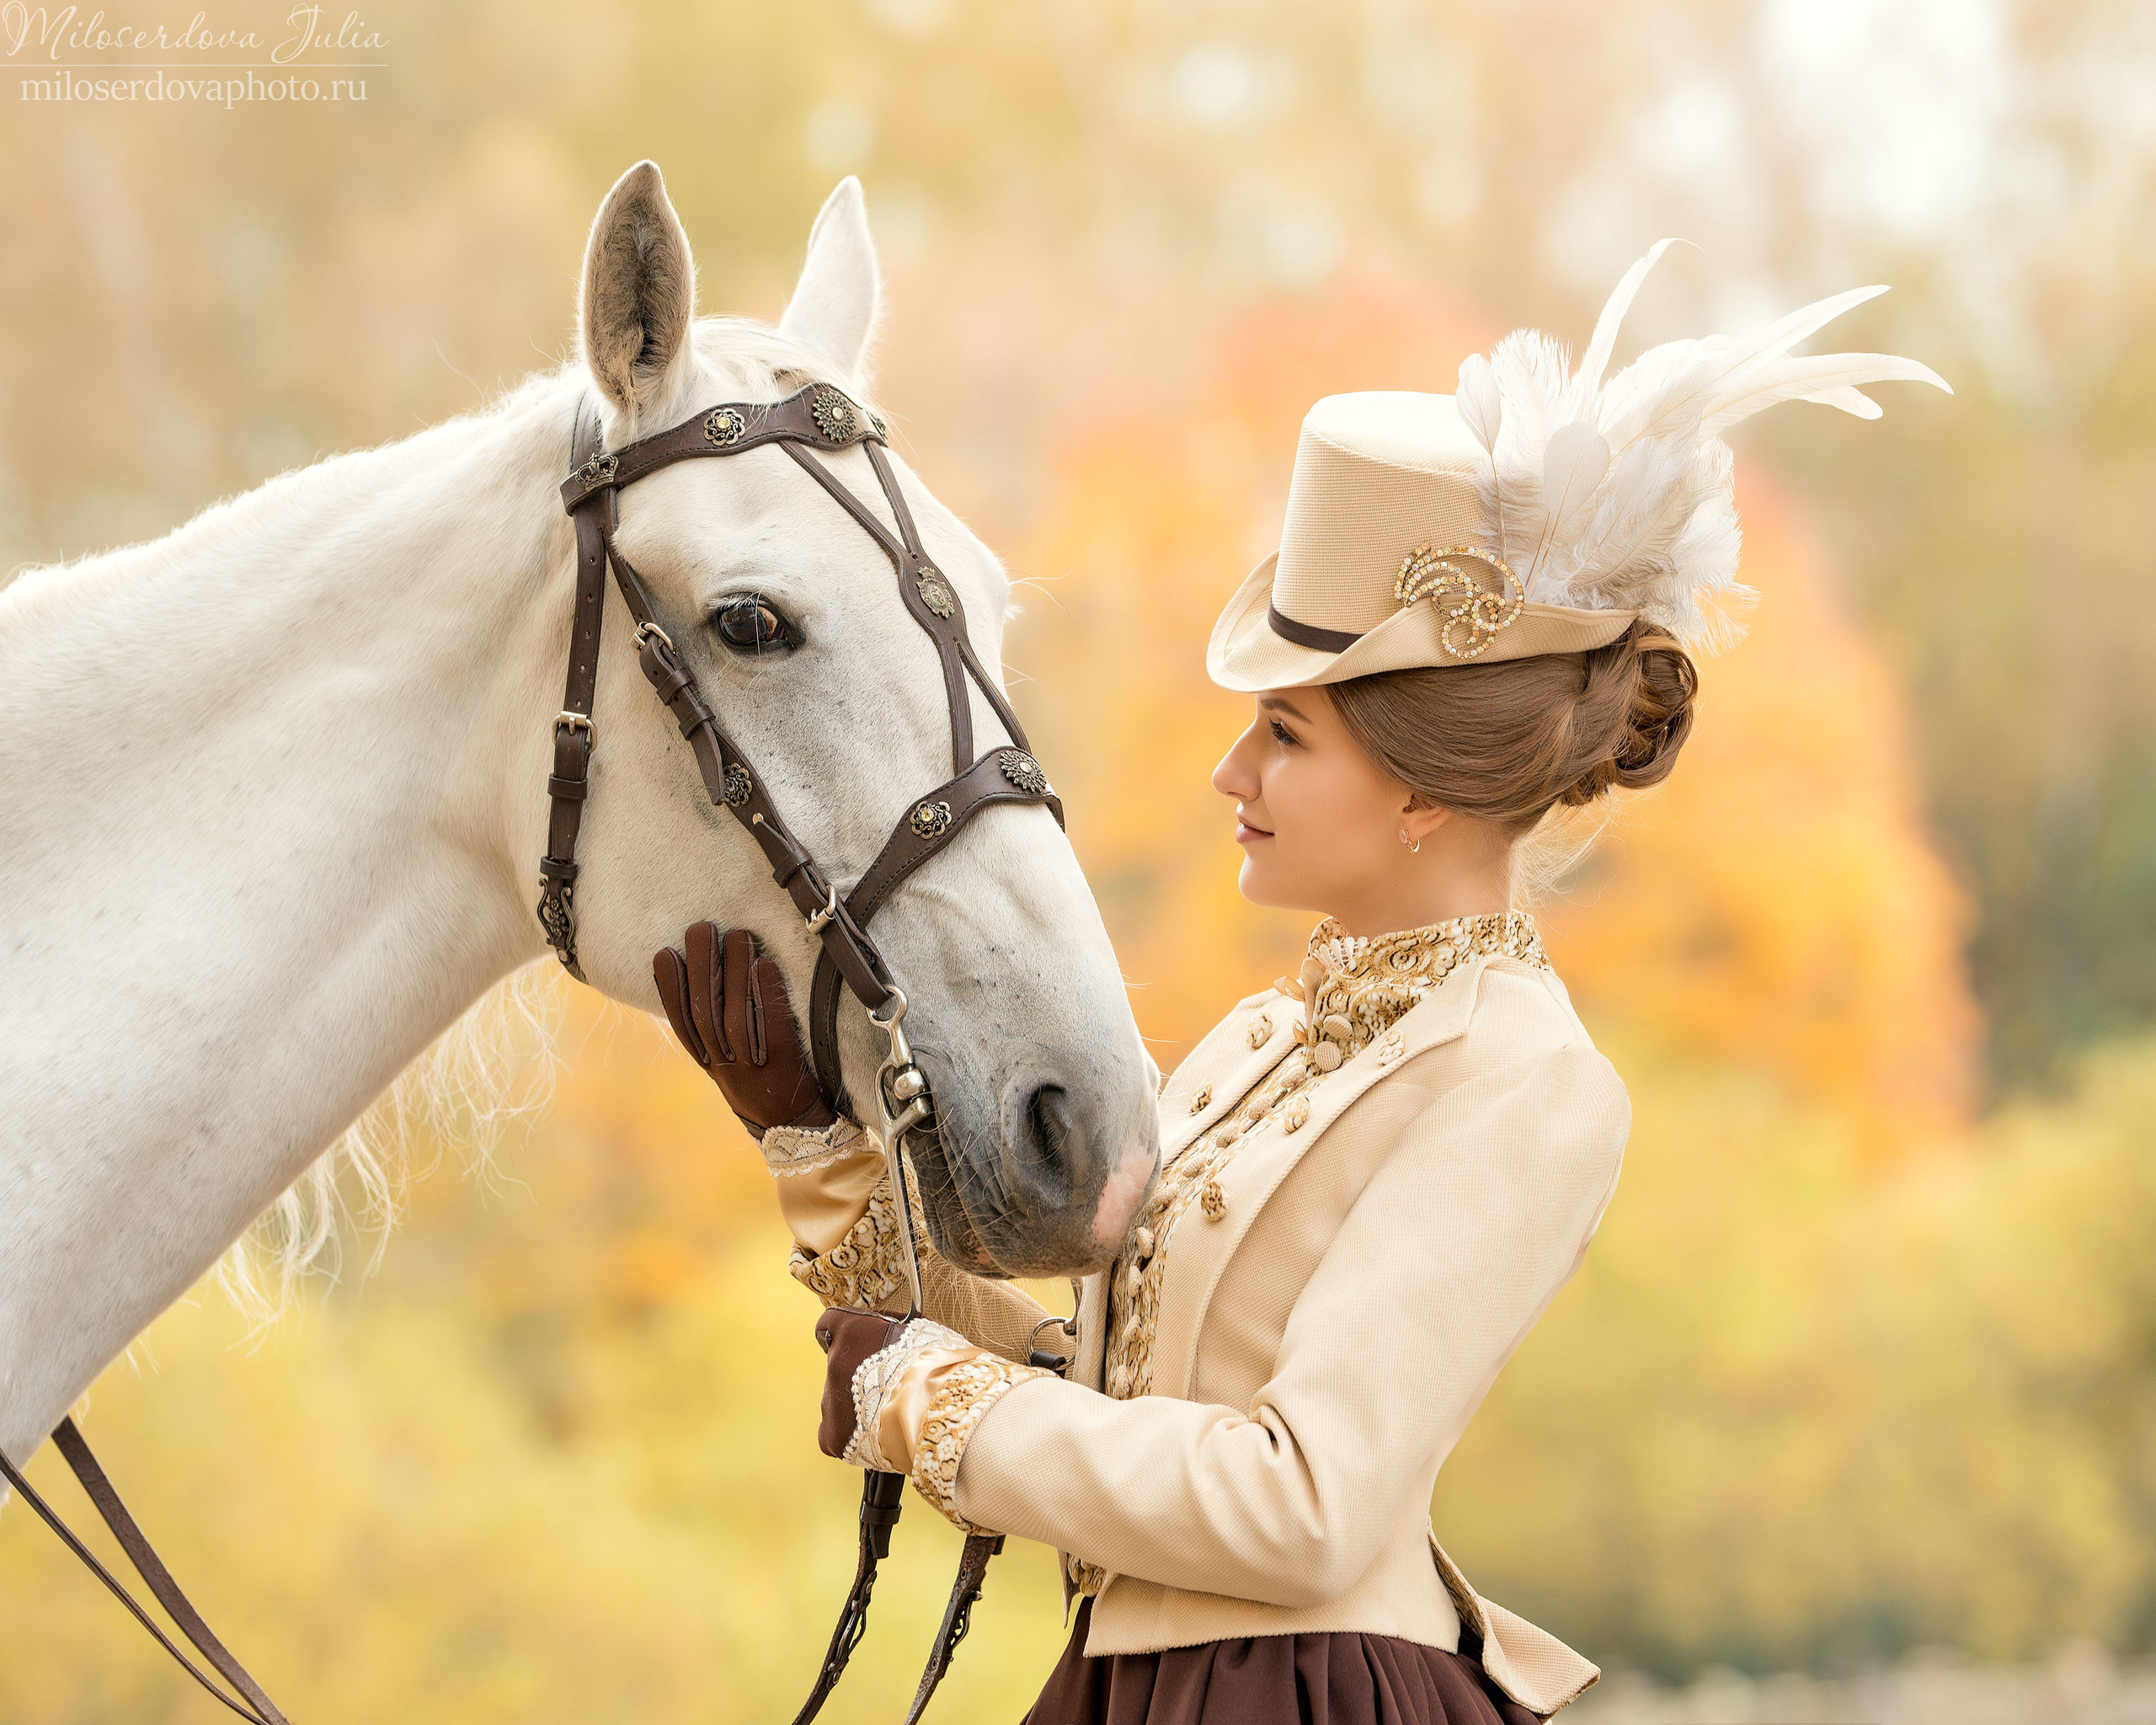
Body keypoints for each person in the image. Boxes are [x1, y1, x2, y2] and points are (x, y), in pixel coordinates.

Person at [653, 243, 1947, 1723]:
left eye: (1283, 734)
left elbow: (1302, 1505)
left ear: (1420, 788)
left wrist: (931, 1401)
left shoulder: (1527, 1082)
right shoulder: (1265, 1040)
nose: (1229, 772)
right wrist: (819, 1142)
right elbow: (1093, 1407)